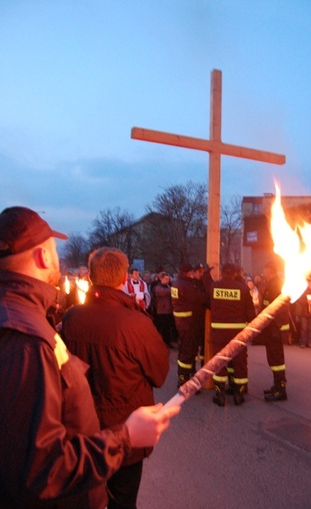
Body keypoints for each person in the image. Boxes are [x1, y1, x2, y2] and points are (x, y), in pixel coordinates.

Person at [0, 206, 180, 509]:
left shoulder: (57, 318)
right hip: (101, 451)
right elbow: (39, 469)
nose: (57, 255)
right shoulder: (27, 338)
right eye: (53, 248)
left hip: (89, 449)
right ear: (42, 257)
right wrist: (125, 436)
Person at [61, 248, 170, 509]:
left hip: (82, 431)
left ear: (91, 277)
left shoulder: (72, 317)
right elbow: (160, 374)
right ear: (124, 278)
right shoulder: (136, 323)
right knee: (123, 500)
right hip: (126, 431)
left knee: (87, 498)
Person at [210, 263, 255, 407]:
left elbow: (208, 304)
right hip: (238, 333)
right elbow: (250, 312)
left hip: (218, 332)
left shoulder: (214, 287)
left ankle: (220, 395)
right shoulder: (243, 288)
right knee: (239, 362)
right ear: (235, 273)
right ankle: (239, 395)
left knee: (219, 362)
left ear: (222, 273)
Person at [171, 263, 208, 387]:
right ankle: (183, 377)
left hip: (181, 321)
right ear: (188, 272)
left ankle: (187, 373)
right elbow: (200, 298)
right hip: (189, 322)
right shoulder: (187, 284)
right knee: (188, 350)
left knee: (185, 348)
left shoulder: (177, 282)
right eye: (192, 272)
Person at [260, 261, 290, 402]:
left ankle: (281, 389)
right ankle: (277, 385)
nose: (263, 272)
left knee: (277, 359)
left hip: (274, 328)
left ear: (270, 270)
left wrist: (275, 325)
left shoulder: (276, 285)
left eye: (265, 269)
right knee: (273, 358)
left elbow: (280, 308)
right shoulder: (272, 284)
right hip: (271, 327)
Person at [295, 276, 311, 348]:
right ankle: (303, 342)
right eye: (309, 283)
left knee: (310, 329)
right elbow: (299, 300)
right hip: (304, 313)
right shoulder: (304, 291)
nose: (310, 284)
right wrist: (306, 302)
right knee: (304, 328)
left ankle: (309, 342)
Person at [152, 271, 176, 348]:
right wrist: (173, 289)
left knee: (168, 328)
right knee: (162, 328)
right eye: (165, 279)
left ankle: (167, 342)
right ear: (161, 279)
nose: (167, 280)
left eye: (168, 279)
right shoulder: (158, 287)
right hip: (161, 311)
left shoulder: (168, 286)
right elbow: (163, 292)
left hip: (169, 310)